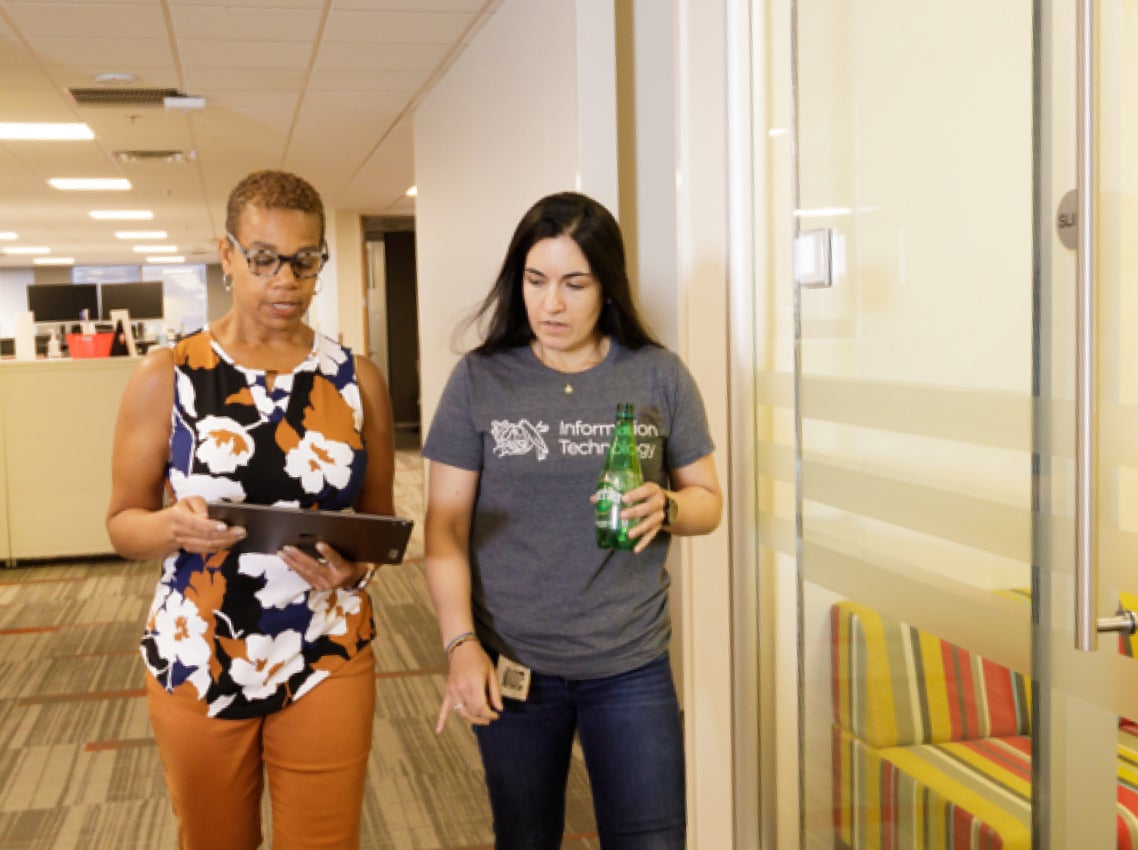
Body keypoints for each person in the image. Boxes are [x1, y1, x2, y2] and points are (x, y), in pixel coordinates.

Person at [423, 191, 723, 849]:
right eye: (535, 280)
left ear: (606, 286)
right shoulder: (480, 380)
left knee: (652, 840)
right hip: (515, 661)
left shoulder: (657, 376)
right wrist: (459, 644)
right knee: (525, 838)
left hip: (630, 663)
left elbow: (707, 499)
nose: (551, 303)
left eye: (574, 283)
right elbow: (443, 527)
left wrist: (669, 507)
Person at [106, 169, 396, 850]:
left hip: (326, 647)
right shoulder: (168, 374)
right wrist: (171, 527)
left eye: (305, 259)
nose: (285, 279)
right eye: (264, 258)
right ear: (228, 254)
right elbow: (123, 523)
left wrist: (352, 574)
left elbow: (377, 530)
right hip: (197, 649)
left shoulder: (357, 381)